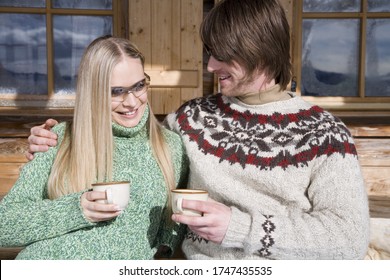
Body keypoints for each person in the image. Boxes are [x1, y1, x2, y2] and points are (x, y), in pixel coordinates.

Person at [25, 0, 370, 260]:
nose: (209, 66)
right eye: (210, 53)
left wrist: (241, 228)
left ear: (259, 51)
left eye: (222, 55)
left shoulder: (325, 134)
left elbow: (350, 238)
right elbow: (128, 143)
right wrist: (57, 141)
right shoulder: (191, 119)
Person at [0, 36, 188, 260]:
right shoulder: (58, 138)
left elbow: (174, 225)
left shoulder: (169, 147)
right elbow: (5, 225)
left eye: (139, 86)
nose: (131, 102)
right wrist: (76, 209)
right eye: (116, 91)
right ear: (93, 92)